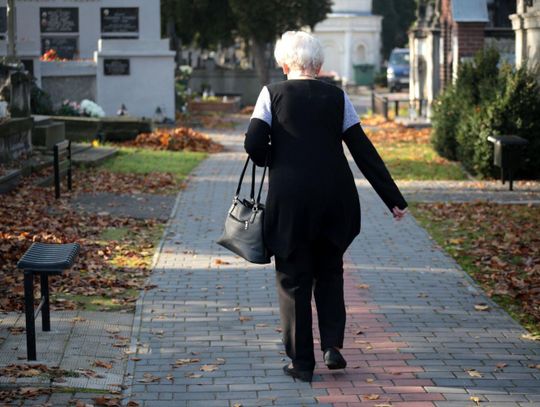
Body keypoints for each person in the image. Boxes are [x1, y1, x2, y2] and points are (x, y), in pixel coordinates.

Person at [244, 31, 408, 382]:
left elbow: (254, 141)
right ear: (318, 65)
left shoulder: (271, 94)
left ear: (284, 63)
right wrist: (393, 198)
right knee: (330, 271)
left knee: (293, 279)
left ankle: (302, 364)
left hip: (290, 200)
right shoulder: (337, 97)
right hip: (336, 198)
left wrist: (274, 157)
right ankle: (332, 345)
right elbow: (362, 149)